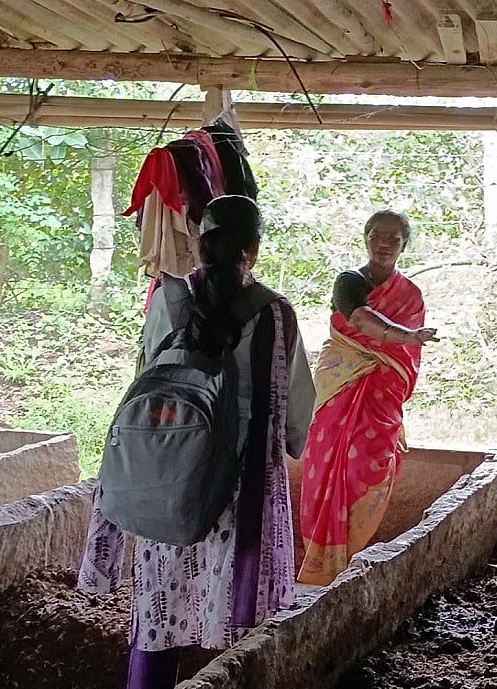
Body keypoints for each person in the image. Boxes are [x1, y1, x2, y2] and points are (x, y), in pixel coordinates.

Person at [77, 195, 315, 689]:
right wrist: (287, 442)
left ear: (199, 241)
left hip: (168, 475)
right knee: (238, 617)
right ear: (254, 246)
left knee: (159, 610)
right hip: (241, 490)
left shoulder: (167, 298)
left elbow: (148, 375)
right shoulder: (276, 314)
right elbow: (295, 415)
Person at [297, 210, 438, 586]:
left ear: (404, 244)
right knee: (326, 462)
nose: (384, 244)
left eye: (394, 238)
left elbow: (404, 362)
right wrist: (406, 337)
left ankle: (355, 553)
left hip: (381, 395)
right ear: (366, 238)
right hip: (339, 384)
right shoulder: (348, 282)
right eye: (378, 235)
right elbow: (360, 320)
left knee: (369, 464)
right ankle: (321, 561)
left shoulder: (409, 296)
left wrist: (405, 342)